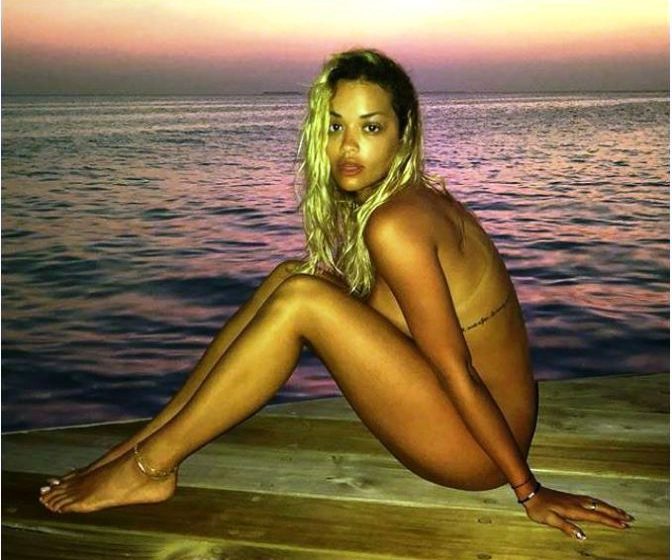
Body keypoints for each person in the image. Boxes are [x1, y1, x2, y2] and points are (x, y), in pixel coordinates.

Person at [39, 48, 632, 540]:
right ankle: (138, 449)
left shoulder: (395, 224)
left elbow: (455, 368)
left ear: (403, 134)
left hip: (475, 448)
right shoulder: (408, 198)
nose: (349, 146)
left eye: (370, 127)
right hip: (494, 415)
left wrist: (528, 490)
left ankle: (152, 466)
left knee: (303, 298)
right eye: (335, 126)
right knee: (292, 275)